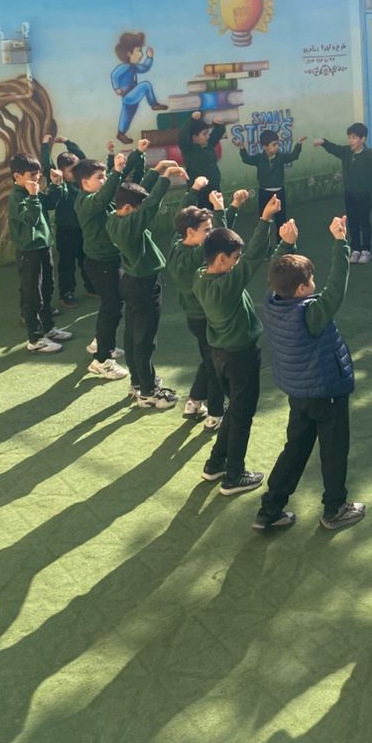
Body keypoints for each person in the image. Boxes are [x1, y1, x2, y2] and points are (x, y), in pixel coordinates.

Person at [254, 214, 366, 533]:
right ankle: (334, 508)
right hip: (327, 393)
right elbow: (335, 291)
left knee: (295, 449)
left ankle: (270, 509)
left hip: (298, 394)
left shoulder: (272, 302)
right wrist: (341, 243)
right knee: (334, 451)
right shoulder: (311, 313)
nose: (314, 283)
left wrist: (286, 245)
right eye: (311, 279)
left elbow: (276, 273)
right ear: (303, 288)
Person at [193, 194, 280, 496]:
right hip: (241, 356)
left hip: (220, 355)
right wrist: (265, 219)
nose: (238, 262)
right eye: (234, 258)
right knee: (242, 416)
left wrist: (223, 213)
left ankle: (215, 463)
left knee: (234, 411)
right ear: (221, 259)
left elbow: (219, 241)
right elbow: (254, 256)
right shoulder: (228, 285)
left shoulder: (201, 276)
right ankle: (234, 476)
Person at [105, 159, 187, 410]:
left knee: (132, 336)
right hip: (144, 286)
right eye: (137, 209)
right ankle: (149, 393)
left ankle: (138, 382)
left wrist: (156, 171)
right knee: (144, 341)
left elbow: (137, 194)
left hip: (131, 281)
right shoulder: (131, 225)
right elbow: (150, 206)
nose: (141, 212)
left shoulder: (114, 217)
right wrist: (166, 178)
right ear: (129, 208)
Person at [168, 188, 249, 428]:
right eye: (206, 230)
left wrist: (232, 207)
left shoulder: (177, 244)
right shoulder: (194, 256)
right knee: (215, 366)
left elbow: (218, 237)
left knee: (209, 358)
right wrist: (221, 209)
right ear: (190, 232)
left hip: (196, 316)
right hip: (204, 317)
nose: (210, 234)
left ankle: (194, 400)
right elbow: (218, 241)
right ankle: (215, 414)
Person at [74, 148, 143, 380]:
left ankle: (101, 342)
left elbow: (112, 190)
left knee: (112, 306)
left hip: (110, 260)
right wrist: (116, 171)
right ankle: (102, 360)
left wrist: (133, 159)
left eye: (105, 176)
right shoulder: (87, 202)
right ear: (85, 183)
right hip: (101, 264)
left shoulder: (96, 198)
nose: (104, 181)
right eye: (100, 177)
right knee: (111, 308)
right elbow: (104, 196)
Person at [8, 152, 71, 354]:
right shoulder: (17, 197)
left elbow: (51, 203)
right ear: (17, 176)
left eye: (38, 173)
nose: (36, 178)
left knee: (47, 288)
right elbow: (31, 219)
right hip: (28, 252)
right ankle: (35, 339)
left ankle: (48, 328)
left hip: (43, 247)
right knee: (32, 295)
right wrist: (34, 196)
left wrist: (57, 184)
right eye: (31, 174)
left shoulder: (31, 192)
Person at [314, 123, 372, 263]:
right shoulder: (346, 152)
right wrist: (324, 142)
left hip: (364, 195)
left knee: (364, 222)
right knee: (352, 222)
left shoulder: (370, 154)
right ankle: (355, 250)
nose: (350, 141)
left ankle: (366, 250)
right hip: (349, 194)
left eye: (354, 138)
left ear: (363, 139)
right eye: (349, 137)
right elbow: (334, 148)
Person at [40, 134, 94, 307]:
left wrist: (67, 142)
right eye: (72, 170)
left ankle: (91, 286)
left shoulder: (81, 182)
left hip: (83, 229)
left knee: (87, 260)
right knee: (67, 264)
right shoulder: (59, 183)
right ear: (61, 171)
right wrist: (45, 145)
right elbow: (47, 164)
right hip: (66, 231)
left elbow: (83, 159)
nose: (76, 173)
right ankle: (66, 293)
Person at [238, 129, 306, 236]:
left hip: (279, 193)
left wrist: (299, 144)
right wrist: (242, 147)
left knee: (281, 219)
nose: (277, 147)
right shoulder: (259, 158)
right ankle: (263, 241)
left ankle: (281, 241)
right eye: (274, 145)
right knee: (264, 219)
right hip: (264, 193)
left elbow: (293, 156)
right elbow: (247, 159)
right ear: (265, 147)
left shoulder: (280, 157)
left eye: (277, 144)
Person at [110, 32, 166, 145]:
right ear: (129, 53)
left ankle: (121, 133)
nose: (141, 54)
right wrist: (116, 88)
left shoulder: (133, 67)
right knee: (145, 85)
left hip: (131, 96)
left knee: (127, 116)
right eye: (138, 51)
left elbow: (144, 68)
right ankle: (153, 104)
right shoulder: (125, 66)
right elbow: (114, 75)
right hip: (128, 95)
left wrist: (149, 58)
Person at [179, 111, 226, 208]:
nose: (208, 136)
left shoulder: (208, 145)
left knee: (217, 215)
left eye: (208, 134)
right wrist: (192, 119)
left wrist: (217, 124)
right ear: (194, 137)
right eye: (204, 134)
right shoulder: (188, 149)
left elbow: (219, 131)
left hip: (214, 191)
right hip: (199, 195)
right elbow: (182, 135)